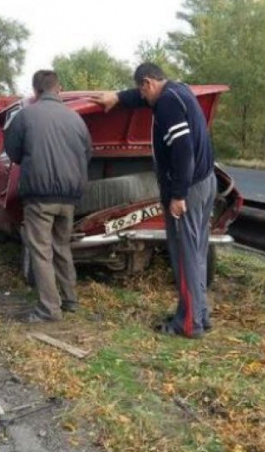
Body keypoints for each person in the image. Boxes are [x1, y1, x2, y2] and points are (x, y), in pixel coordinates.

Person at [92, 63, 216, 339]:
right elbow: (142, 97)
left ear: (148, 83)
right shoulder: (180, 91)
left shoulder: (167, 105)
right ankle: (199, 315)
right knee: (196, 252)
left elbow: (182, 150)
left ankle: (188, 325)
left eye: (142, 90)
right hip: (206, 182)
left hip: (189, 188)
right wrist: (119, 97)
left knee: (184, 255)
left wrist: (178, 195)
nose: (143, 98)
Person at [4, 70, 92, 323]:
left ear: (35, 91)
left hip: (40, 196)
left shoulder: (25, 116)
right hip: (70, 197)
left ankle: (48, 310)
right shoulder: (76, 118)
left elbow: (14, 153)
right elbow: (87, 153)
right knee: (62, 246)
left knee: (41, 251)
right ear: (59, 89)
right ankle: (70, 299)